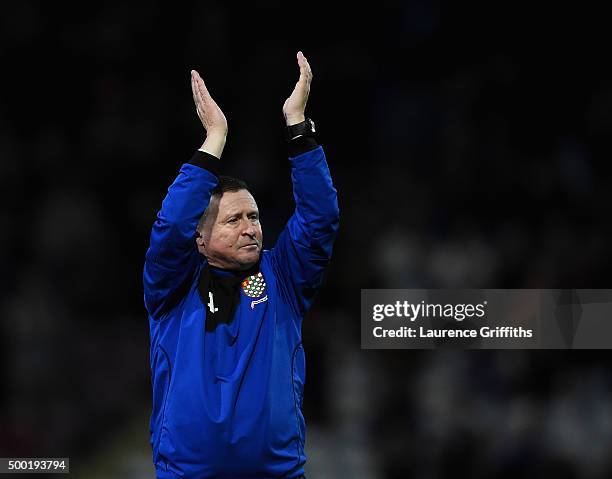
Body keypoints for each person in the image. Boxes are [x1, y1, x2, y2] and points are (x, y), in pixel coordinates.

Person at [143, 51, 339, 479]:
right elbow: (172, 223)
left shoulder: (285, 277)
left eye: (254, 217)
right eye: (233, 220)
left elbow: (320, 218)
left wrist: (298, 127)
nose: (250, 228)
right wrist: (214, 138)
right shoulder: (171, 287)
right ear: (201, 238)